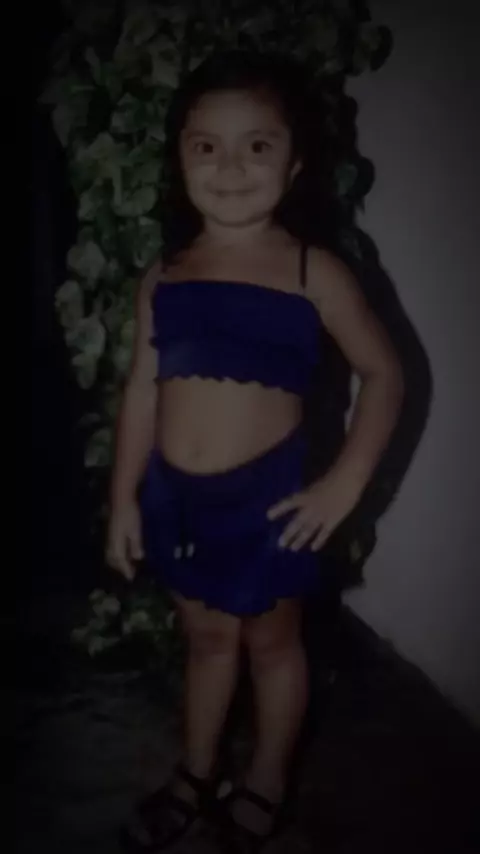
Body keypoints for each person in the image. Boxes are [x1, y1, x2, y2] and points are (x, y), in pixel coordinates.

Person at [106, 48, 404, 852]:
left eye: (257, 146)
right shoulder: (166, 273)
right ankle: (197, 770)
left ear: (296, 162)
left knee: (272, 645)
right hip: (177, 499)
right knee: (206, 642)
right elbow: (142, 390)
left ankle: (267, 776)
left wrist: (346, 481)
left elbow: (386, 374)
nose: (230, 167)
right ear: (179, 160)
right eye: (206, 146)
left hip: (269, 506)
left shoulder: (315, 271)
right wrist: (123, 498)